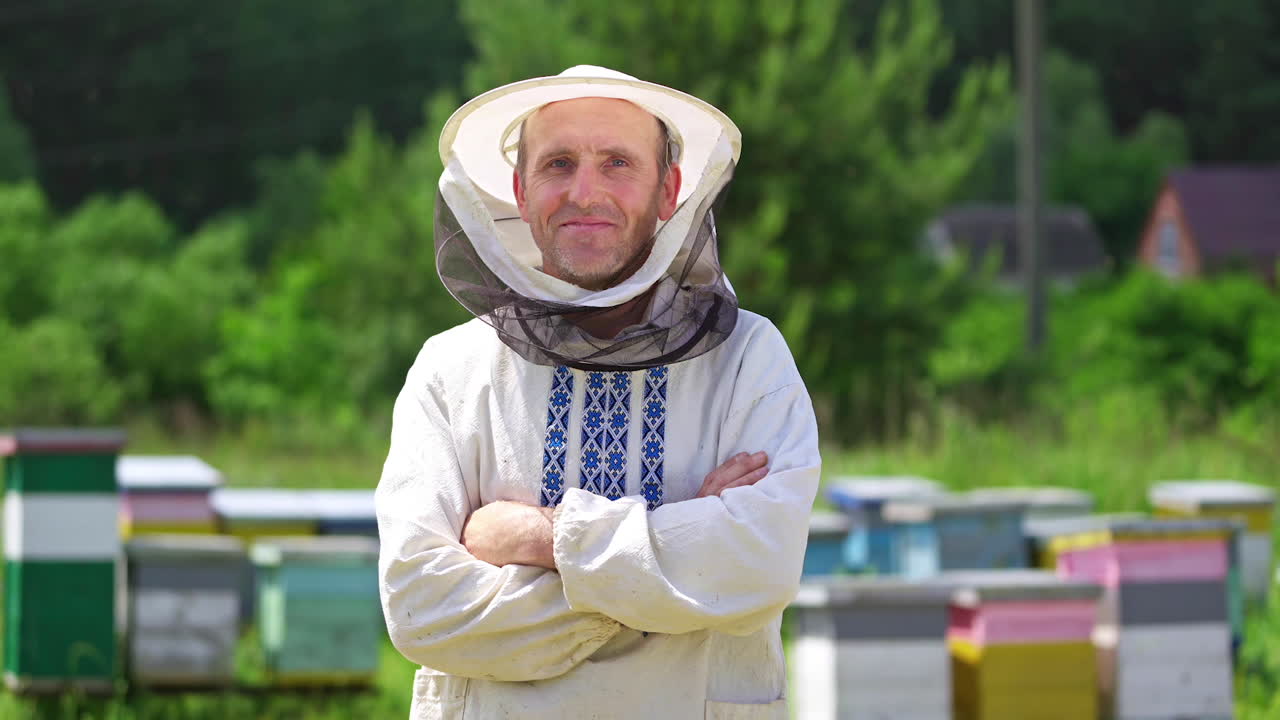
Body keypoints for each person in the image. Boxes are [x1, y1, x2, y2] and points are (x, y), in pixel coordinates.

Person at [376, 65, 821, 720]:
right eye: (558, 163)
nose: (586, 191)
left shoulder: (749, 359)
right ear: (520, 190)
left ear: (669, 190)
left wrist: (543, 540)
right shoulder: (449, 371)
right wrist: (670, 579)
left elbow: (762, 567)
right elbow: (420, 607)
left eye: (617, 163)